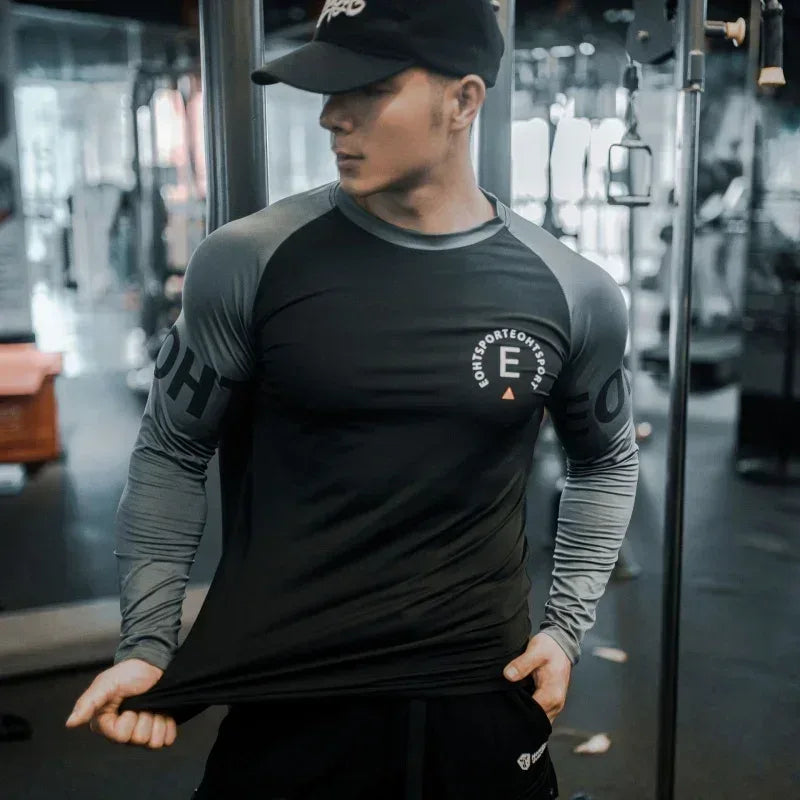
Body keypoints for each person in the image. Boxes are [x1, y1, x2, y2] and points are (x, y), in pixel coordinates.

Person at [65, 2, 639, 798]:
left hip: (480, 685)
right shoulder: (247, 262)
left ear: (463, 101)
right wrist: (149, 640)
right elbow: (170, 449)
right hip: (291, 695)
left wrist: (567, 628)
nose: (333, 115)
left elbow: (606, 459)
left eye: (365, 88)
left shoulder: (573, 290)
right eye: (328, 90)